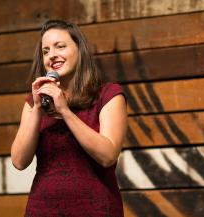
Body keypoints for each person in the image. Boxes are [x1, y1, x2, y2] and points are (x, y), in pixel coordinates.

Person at [11, 19, 127, 217]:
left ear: (79, 50)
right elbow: (19, 161)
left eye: (60, 46)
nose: (52, 55)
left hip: (96, 209)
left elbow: (108, 156)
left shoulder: (108, 94)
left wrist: (65, 112)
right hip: (43, 210)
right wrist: (38, 108)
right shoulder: (34, 103)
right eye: (46, 51)